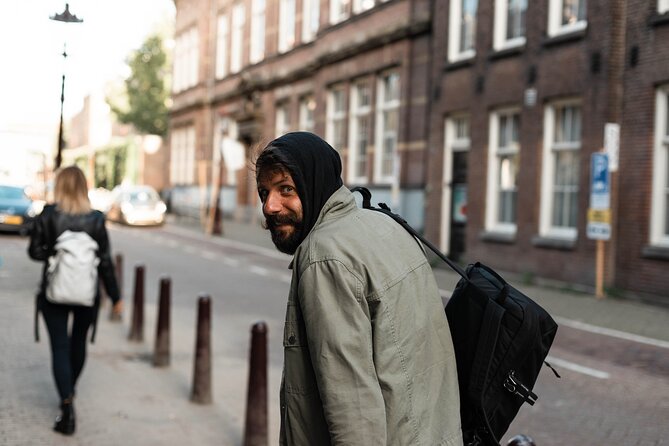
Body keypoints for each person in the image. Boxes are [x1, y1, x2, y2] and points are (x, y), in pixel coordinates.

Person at [255, 132, 463, 445]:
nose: (270, 206)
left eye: (286, 188)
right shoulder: (387, 225)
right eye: (264, 192)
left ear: (315, 183)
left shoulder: (324, 256)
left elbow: (353, 405)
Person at [28, 166, 122, 436]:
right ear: (83, 187)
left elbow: (34, 252)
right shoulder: (95, 219)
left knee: (59, 347)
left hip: (54, 292)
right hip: (86, 295)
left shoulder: (48, 215)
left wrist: (54, 251)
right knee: (77, 343)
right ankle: (70, 390)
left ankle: (66, 406)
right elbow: (105, 262)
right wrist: (115, 297)